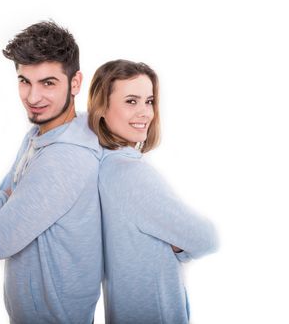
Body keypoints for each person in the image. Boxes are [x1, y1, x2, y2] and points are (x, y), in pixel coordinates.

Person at [0, 21, 102, 324]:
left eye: (48, 83)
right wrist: (5, 196)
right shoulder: (42, 132)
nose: (32, 98)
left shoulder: (65, 158)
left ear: (75, 83)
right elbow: (7, 190)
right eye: (24, 81)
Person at [87, 59, 218, 323]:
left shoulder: (103, 166)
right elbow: (207, 238)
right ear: (102, 107)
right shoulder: (130, 174)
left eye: (149, 101)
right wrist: (178, 242)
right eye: (131, 101)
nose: (145, 112)